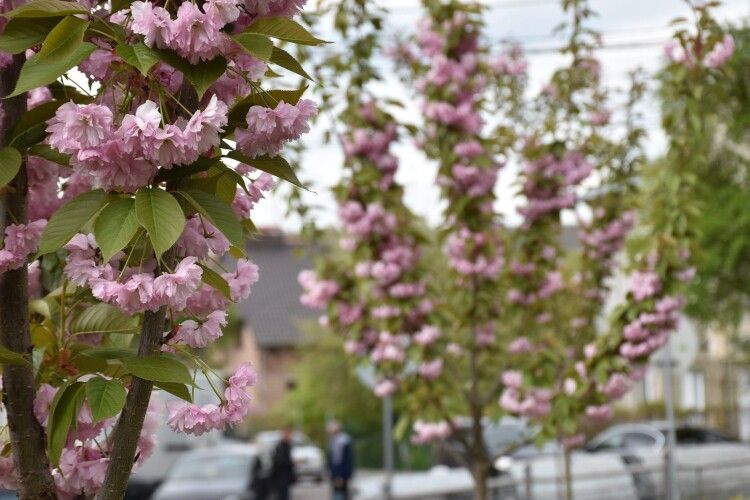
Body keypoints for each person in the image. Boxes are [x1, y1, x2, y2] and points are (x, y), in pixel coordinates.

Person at [327, 421, 354, 500]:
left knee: (341, 493)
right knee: (338, 493)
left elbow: (344, 460)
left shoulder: (343, 441)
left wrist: (340, 475)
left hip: (341, 473)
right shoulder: (334, 441)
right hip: (336, 472)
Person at [270, 426, 296, 500]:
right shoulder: (281, 446)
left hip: (285, 477)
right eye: (289, 434)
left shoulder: (287, 445)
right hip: (281, 478)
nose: (291, 436)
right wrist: (292, 462)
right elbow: (280, 461)